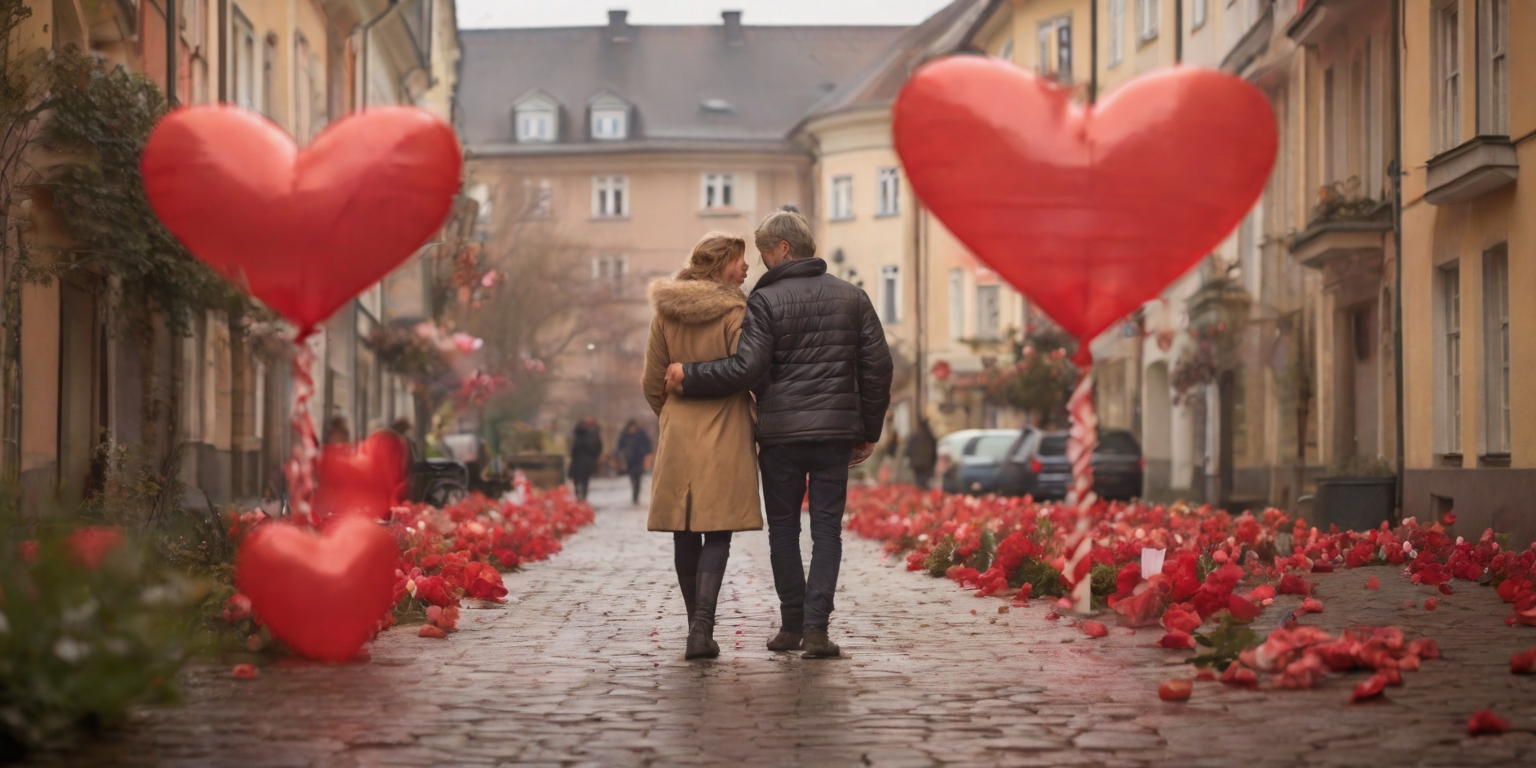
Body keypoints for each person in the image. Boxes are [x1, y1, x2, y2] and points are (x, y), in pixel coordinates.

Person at [665, 210, 892, 659]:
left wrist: (689, 375)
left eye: (765, 250)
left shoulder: (765, 303)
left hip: (781, 438)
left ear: (784, 248)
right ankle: (817, 630)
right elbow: (878, 367)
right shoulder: (853, 297)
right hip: (833, 435)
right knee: (827, 531)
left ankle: (792, 625)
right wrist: (868, 429)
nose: (760, 261)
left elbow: (747, 368)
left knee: (784, 531)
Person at [641, 232, 763, 660]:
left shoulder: (665, 314)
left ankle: (696, 625)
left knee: (684, 531)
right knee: (718, 530)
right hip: (725, 428)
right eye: (739, 261)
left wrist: (673, 414)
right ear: (718, 267)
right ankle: (702, 628)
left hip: (678, 430)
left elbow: (651, 381)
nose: (746, 268)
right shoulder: (736, 312)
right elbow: (744, 371)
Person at [615, 419, 654, 506]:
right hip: (629, 460)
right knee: (632, 478)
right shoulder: (624, 436)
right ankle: (634, 494)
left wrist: (646, 454)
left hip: (639, 459)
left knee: (638, 478)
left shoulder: (641, 435)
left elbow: (648, 445)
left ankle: (635, 496)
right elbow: (619, 447)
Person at [568, 416, 602, 502]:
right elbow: (598, 447)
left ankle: (579, 496)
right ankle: (582, 496)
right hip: (587, 460)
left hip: (579, 459)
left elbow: (574, 448)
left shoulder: (579, 433)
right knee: (584, 480)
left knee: (578, 479)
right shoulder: (594, 433)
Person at [908, 418, 938, 490]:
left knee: (918, 478)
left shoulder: (915, 436)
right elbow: (934, 450)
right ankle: (921, 491)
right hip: (926, 463)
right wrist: (933, 461)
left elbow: (909, 448)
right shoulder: (930, 436)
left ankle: (919, 492)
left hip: (916, 463)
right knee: (924, 479)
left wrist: (909, 459)